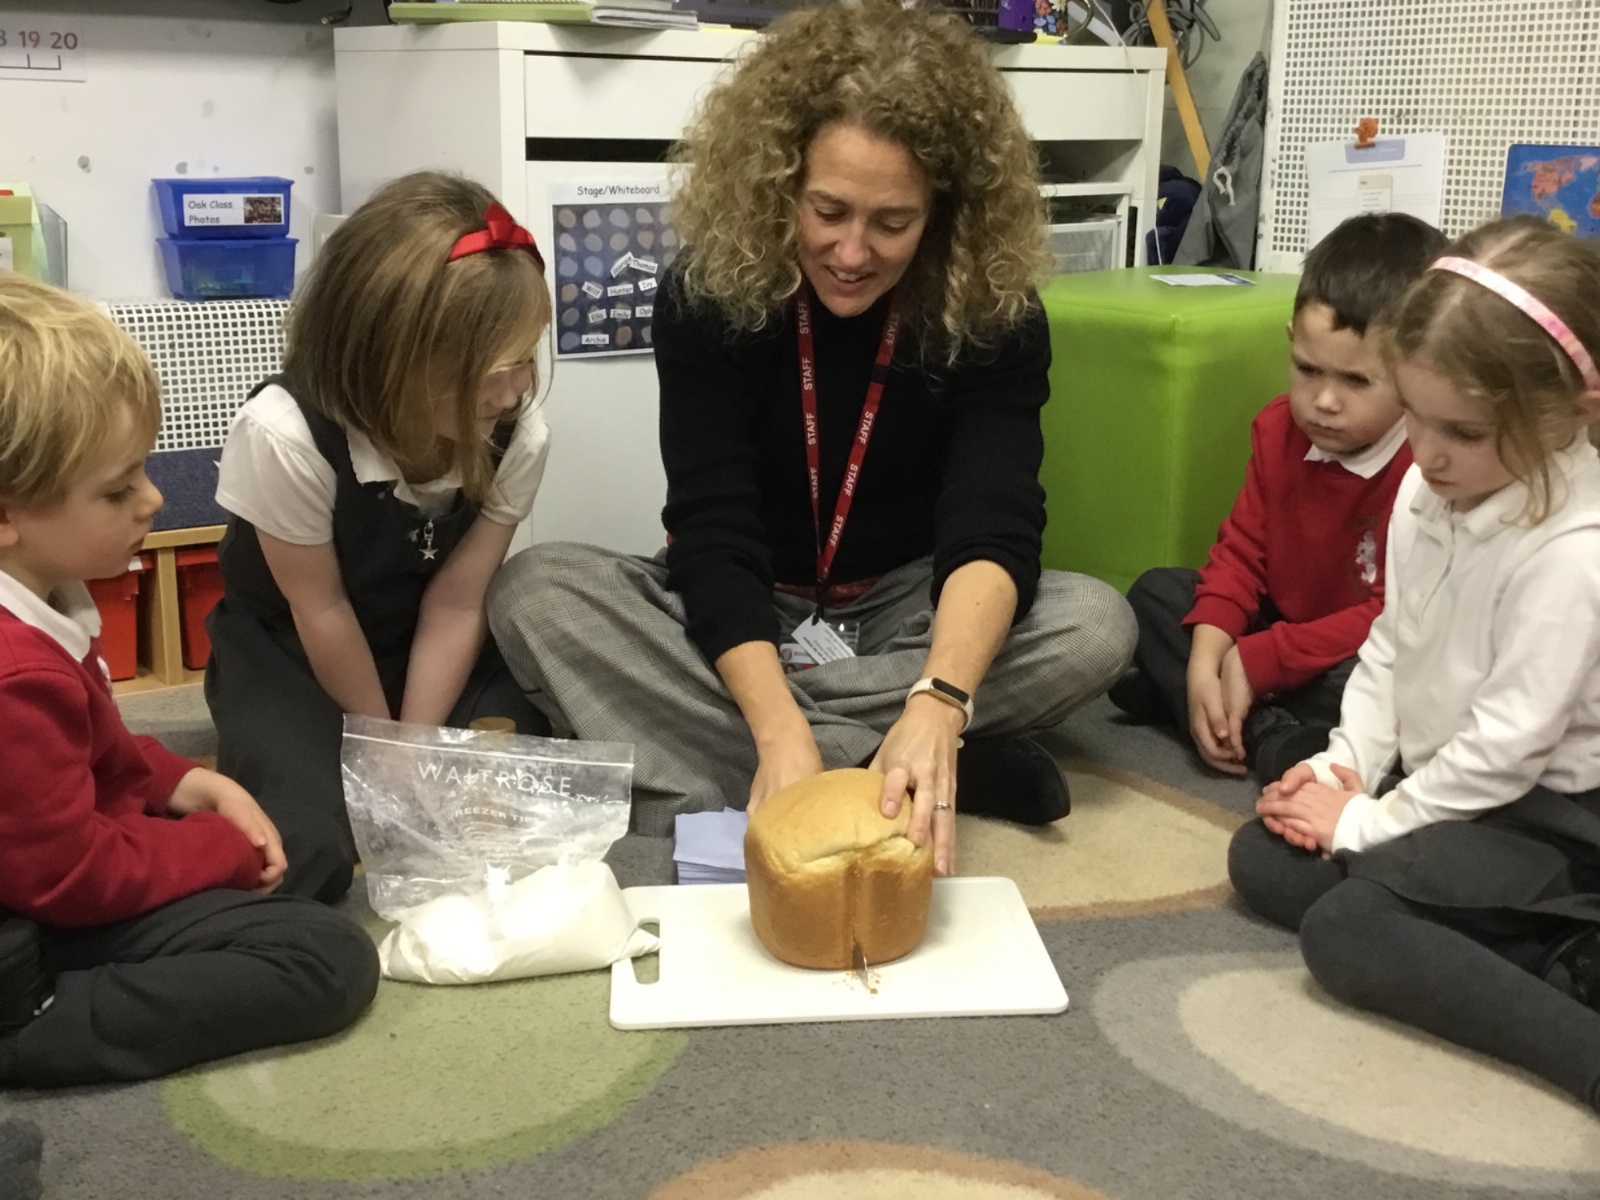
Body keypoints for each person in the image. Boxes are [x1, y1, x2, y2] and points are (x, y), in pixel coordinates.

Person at [487, 0, 1136, 877]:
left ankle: (822, 755)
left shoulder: (995, 308)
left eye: (892, 223)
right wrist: (774, 721)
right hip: (752, 604)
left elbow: (994, 519)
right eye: (827, 211)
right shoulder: (707, 292)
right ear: (779, 184)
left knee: (1095, 624)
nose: (852, 253)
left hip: (909, 607)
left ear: (945, 213)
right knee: (535, 593)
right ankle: (893, 763)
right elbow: (713, 528)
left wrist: (942, 695)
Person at [1229, 217, 1600, 1111]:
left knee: (1349, 928)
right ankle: (1528, 945)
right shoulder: (1432, 491)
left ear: (1573, 413)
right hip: (1457, 793)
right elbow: (1392, 648)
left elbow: (1505, 751)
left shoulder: (1573, 554)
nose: (1425, 454)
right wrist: (1346, 767)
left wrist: (1365, 823)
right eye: (1415, 416)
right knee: (1264, 860)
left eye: (1461, 432)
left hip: (1558, 824)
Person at [0, 275, 378, 1105]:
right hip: (30, 928)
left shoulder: (40, 601)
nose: (153, 499)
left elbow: (90, 751)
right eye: (117, 489)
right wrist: (217, 850)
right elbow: (70, 874)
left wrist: (182, 781)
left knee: (306, 852)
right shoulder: (14, 675)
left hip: (49, 869)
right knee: (325, 959)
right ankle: (34, 1023)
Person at [206, 172, 554, 903]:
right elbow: (321, 609)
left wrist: (415, 744)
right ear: (388, 357)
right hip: (293, 650)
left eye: (527, 358)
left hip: (428, 646)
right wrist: (382, 748)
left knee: (508, 794)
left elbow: (457, 602)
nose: (514, 391)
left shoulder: (517, 433)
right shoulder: (286, 433)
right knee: (304, 846)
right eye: (492, 371)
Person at [1110, 213, 1447, 783]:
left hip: (1359, 650)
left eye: (1356, 381)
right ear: (1291, 341)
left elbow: (1395, 616)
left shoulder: (1429, 465)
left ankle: (1215, 710)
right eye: (1307, 370)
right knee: (1156, 597)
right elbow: (1241, 555)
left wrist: (1260, 659)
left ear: (1419, 371)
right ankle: (1254, 723)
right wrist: (1207, 657)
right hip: (1279, 629)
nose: (1325, 401)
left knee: (1403, 688)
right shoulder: (1277, 429)